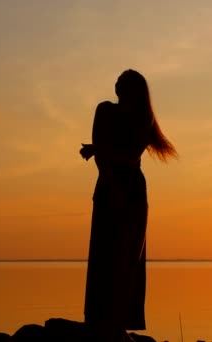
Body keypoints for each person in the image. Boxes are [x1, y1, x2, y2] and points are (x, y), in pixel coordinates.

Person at [80, 69, 177, 342]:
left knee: (126, 258)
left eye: (124, 81)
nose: (117, 83)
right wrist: (102, 157)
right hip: (109, 186)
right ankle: (98, 322)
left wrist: (99, 148)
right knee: (102, 254)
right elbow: (110, 154)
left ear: (134, 89)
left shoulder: (143, 118)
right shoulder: (105, 110)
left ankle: (118, 324)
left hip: (132, 191)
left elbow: (130, 156)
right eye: (118, 80)